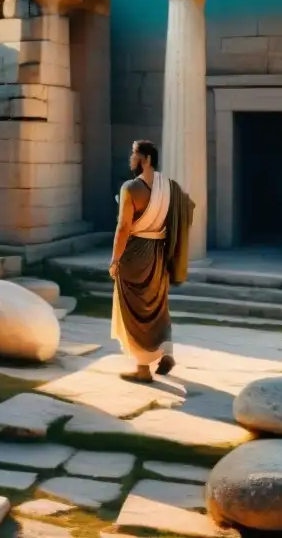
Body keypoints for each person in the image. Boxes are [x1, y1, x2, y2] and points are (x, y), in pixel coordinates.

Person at [108, 140, 194, 383]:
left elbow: (124, 227)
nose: (130, 160)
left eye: (133, 156)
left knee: (133, 310)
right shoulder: (169, 187)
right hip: (159, 253)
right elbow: (186, 208)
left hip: (135, 253)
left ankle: (143, 368)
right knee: (157, 306)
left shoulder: (130, 187)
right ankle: (166, 351)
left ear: (145, 159)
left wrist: (115, 260)